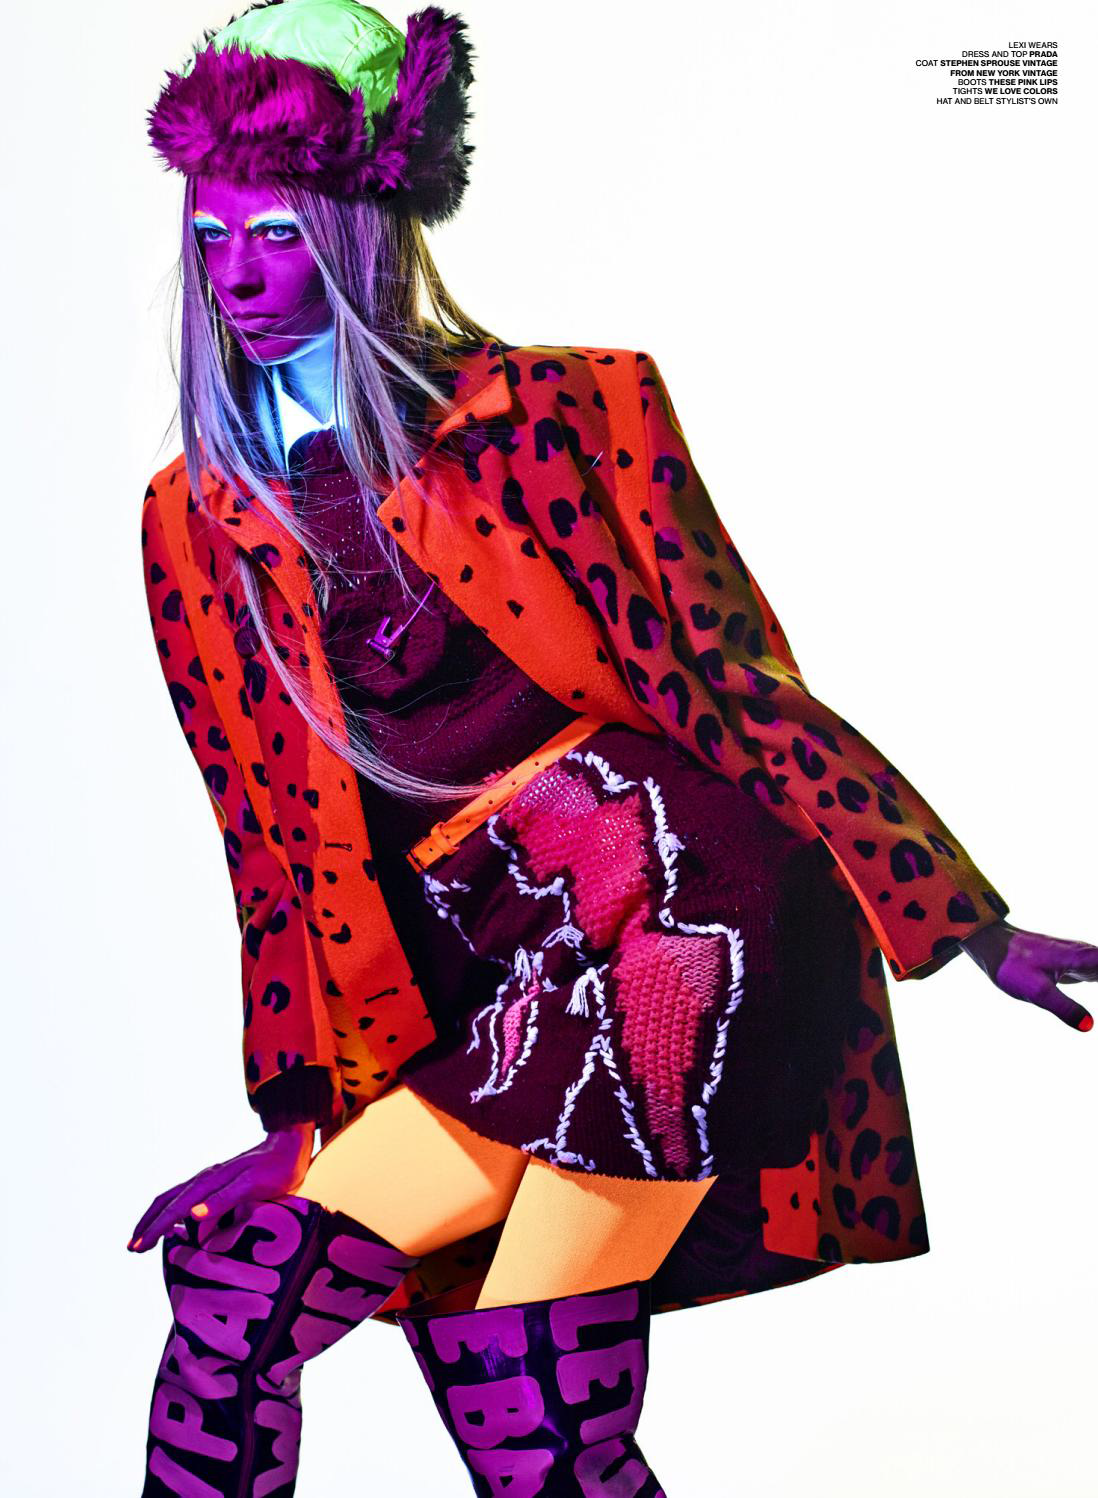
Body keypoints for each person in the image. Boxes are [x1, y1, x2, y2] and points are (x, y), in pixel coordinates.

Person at [131, 4, 1096, 1494]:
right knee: (313, 1343)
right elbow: (262, 839)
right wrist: (299, 1108)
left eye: (278, 232)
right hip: (489, 967)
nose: (242, 275)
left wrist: (960, 918)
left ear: (361, 230)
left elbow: (731, 681)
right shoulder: (194, 517)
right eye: (213, 238)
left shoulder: (566, 408)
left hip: (683, 919)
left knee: (464, 1368)